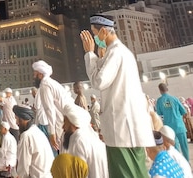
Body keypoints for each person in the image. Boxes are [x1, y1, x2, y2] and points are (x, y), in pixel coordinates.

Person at [80, 14, 154, 178]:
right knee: (136, 172)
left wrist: (90, 54)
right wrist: (98, 57)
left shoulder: (116, 52)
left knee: (124, 172)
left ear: (104, 31)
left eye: (95, 33)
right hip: (127, 128)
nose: (94, 38)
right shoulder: (118, 52)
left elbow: (99, 81)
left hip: (122, 129)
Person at [32, 59, 72, 151]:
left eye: (35, 74)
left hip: (63, 123)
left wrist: (52, 133)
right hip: (66, 121)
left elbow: (49, 110)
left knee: (63, 151)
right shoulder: (51, 82)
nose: (34, 77)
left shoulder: (45, 85)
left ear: (40, 74)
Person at [62, 102, 108, 178]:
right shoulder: (93, 137)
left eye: (65, 122)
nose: (63, 127)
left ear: (73, 124)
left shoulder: (77, 140)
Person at [12, 105, 53, 178]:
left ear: (23, 119)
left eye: (17, 119)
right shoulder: (37, 131)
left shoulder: (26, 136)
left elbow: (23, 168)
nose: (16, 123)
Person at [156, 83, 189, 161]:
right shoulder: (174, 99)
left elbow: (159, 113)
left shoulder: (159, 101)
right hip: (179, 126)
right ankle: (187, 163)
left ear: (160, 90)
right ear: (167, 89)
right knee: (184, 146)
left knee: (175, 148)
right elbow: (183, 111)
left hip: (169, 129)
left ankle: (179, 163)